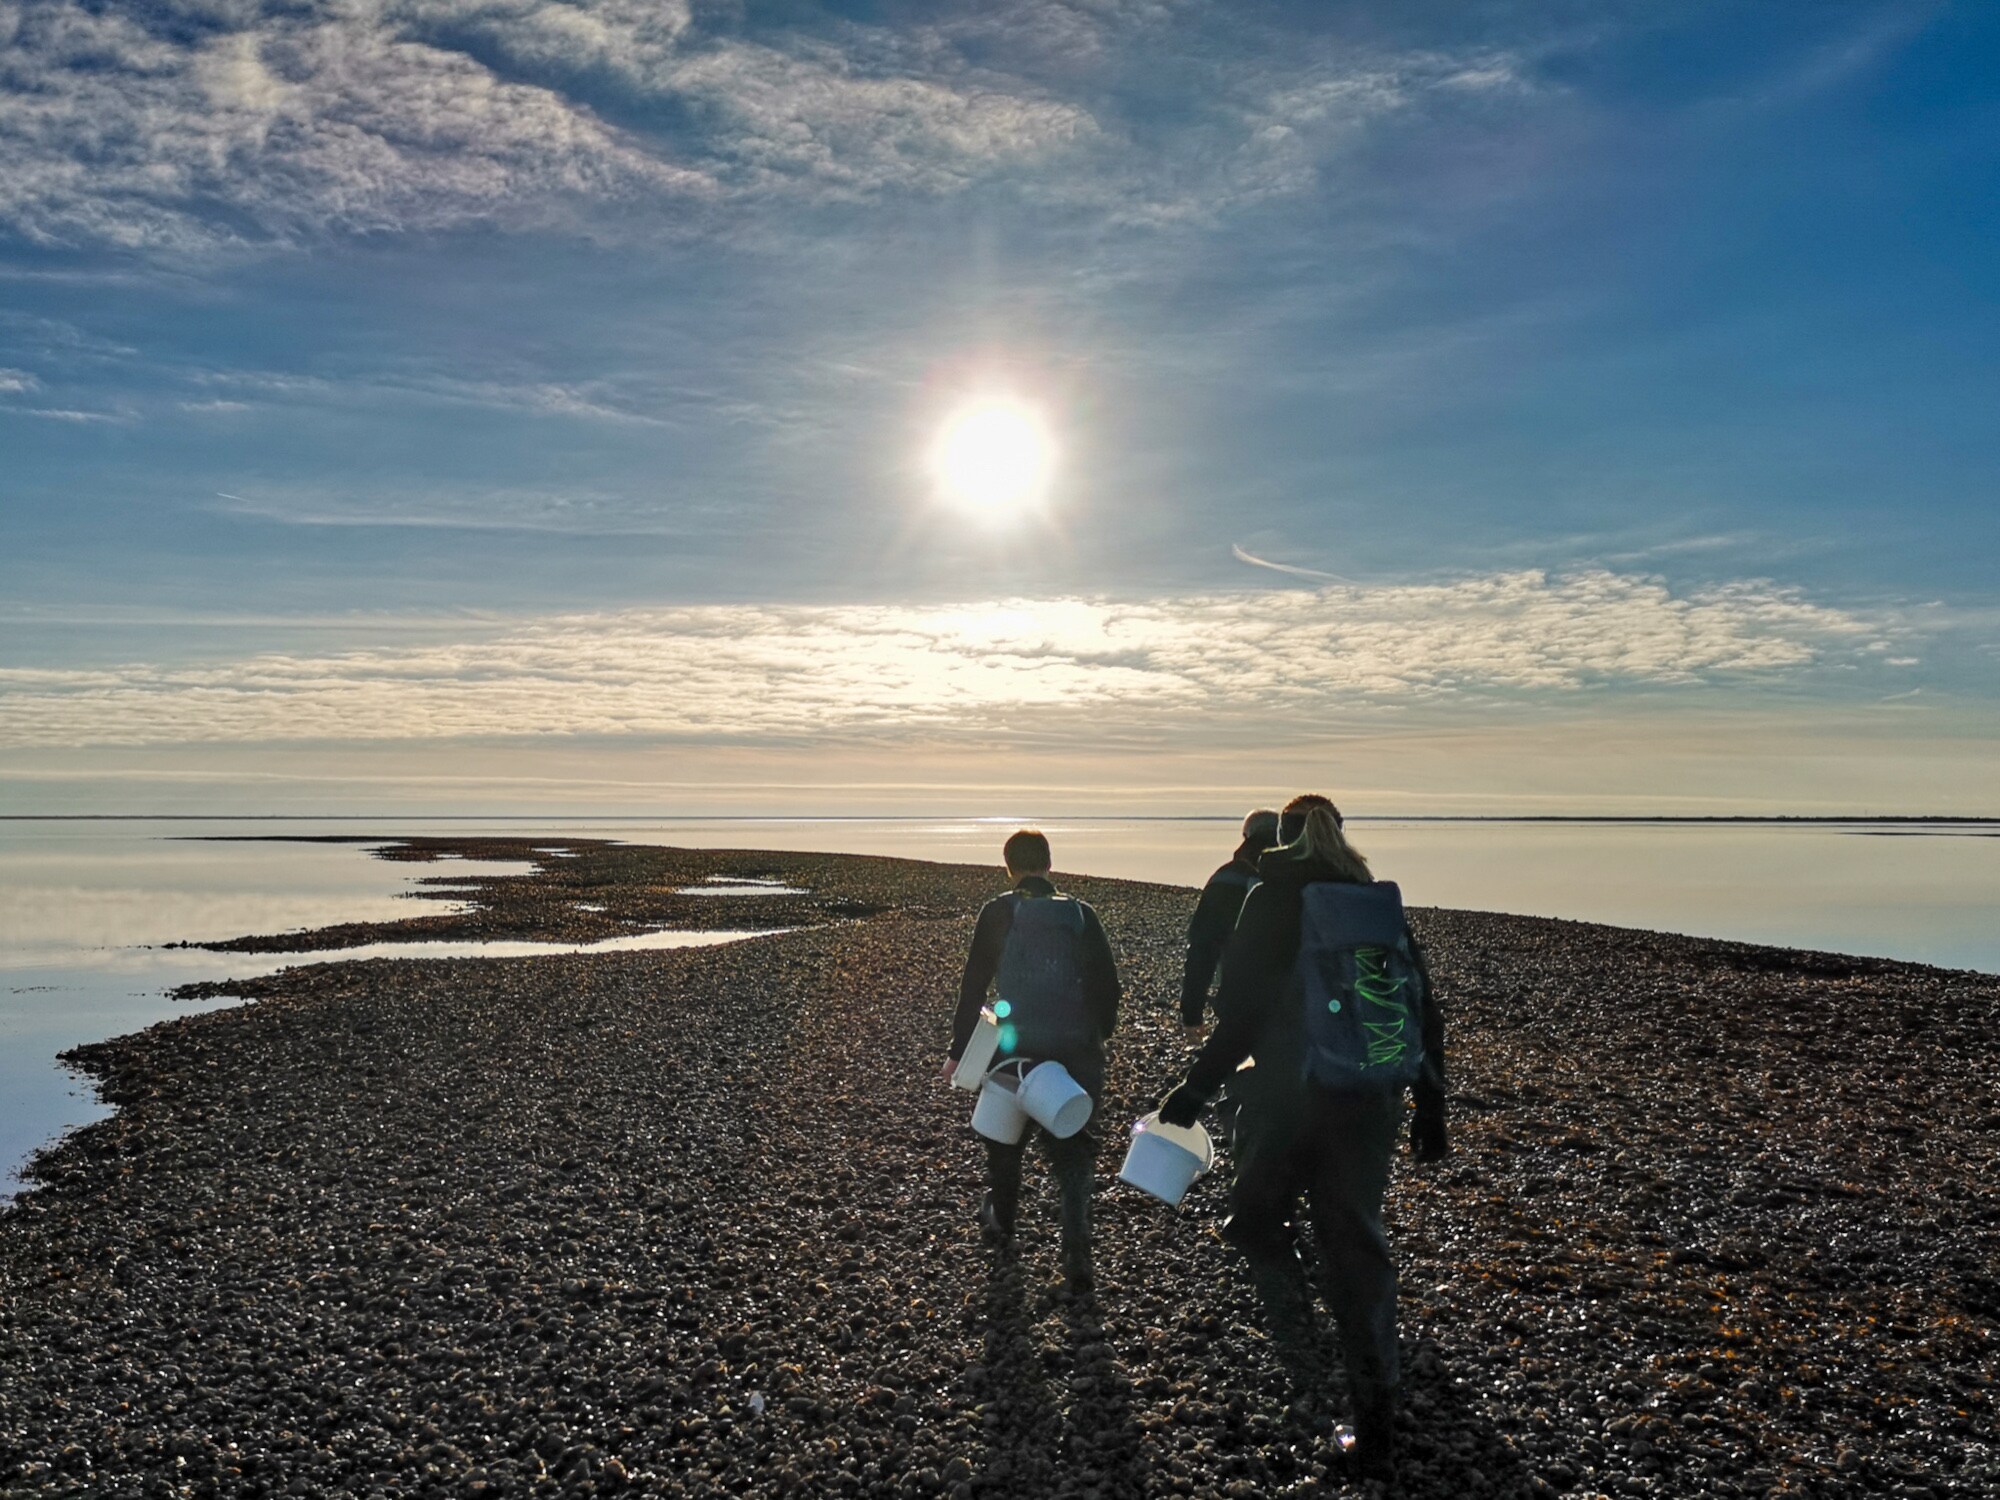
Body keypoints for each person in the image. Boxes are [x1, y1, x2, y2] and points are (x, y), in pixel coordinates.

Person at [1157, 794, 1446, 1480]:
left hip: (1288, 1098)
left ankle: (1304, 1374)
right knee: (1356, 1249)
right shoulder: (1373, 903)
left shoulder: (1271, 897)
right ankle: (1376, 1420)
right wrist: (1432, 1106)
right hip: (1369, 1102)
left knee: (1258, 1222)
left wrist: (1193, 1092)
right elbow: (1422, 1006)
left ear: (1279, 839)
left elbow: (1243, 1016)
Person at [944, 828, 1121, 1294]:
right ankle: (1077, 1251)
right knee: (1075, 1154)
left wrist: (958, 1052)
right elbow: (1108, 988)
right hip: (1076, 1051)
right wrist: (1098, 1034)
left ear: (1009, 867)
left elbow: (974, 985)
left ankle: (1003, 1223)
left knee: (1004, 1147)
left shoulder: (997, 912)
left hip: (1013, 1051)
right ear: (1049, 864)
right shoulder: (1082, 916)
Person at [1180, 808, 1281, 1037]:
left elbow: (1202, 949)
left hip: (1240, 999)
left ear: (1246, 836)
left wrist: (1192, 1012)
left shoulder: (1226, 878)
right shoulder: (1299, 873)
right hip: (1301, 999)